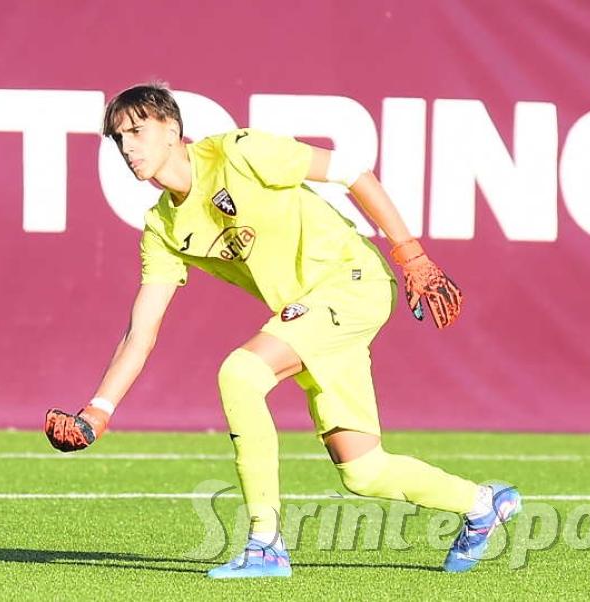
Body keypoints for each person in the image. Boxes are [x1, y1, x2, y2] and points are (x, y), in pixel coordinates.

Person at [45, 83, 521, 578]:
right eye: (118, 138)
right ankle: (481, 504)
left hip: (351, 281)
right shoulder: (162, 228)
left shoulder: (240, 153)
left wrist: (411, 255)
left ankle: (265, 543)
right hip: (310, 314)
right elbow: (139, 332)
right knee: (363, 470)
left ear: (172, 129)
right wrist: (98, 411)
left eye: (137, 131)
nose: (127, 147)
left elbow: (353, 172)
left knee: (241, 374)